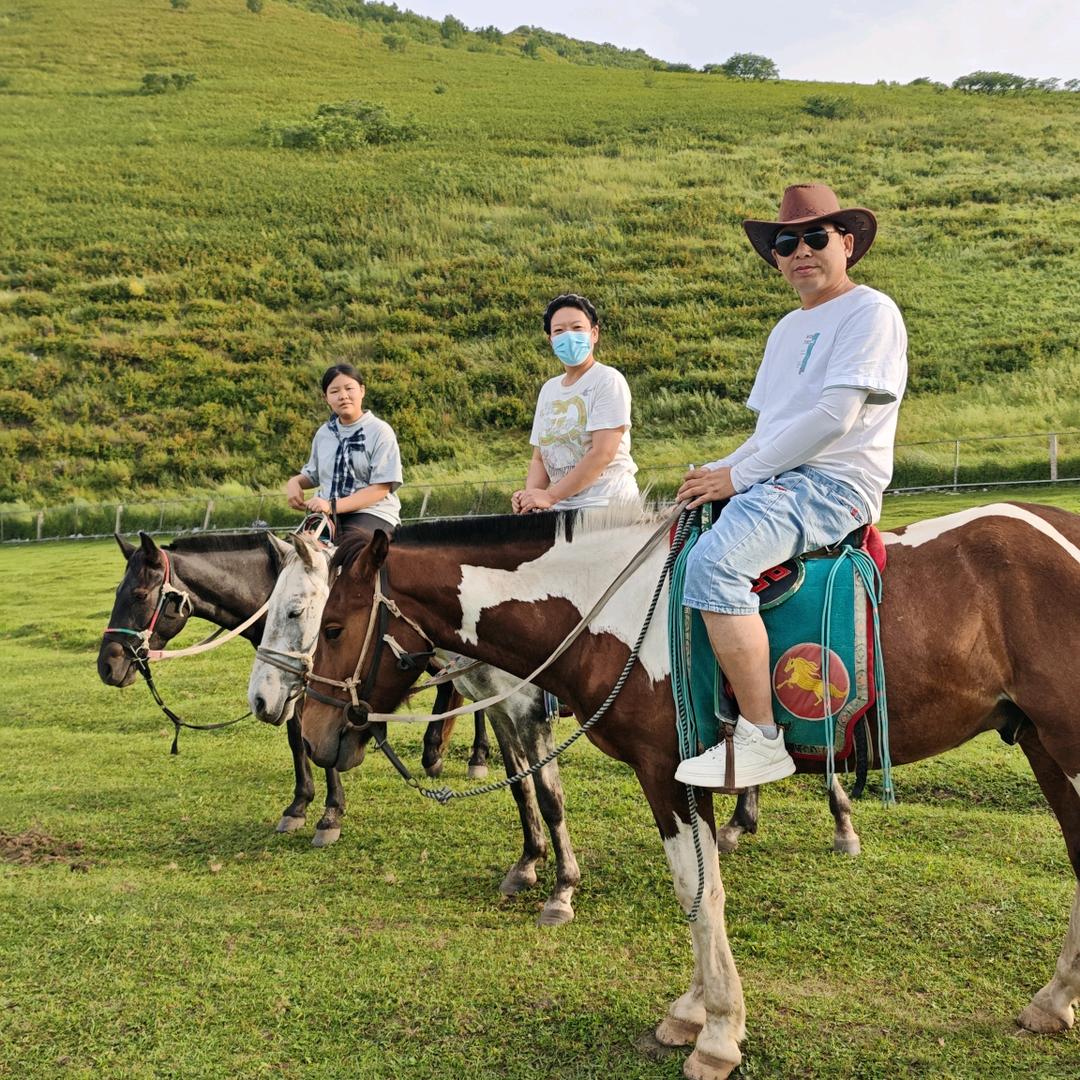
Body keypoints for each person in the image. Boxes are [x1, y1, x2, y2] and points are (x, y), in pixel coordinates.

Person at [674, 183, 908, 789]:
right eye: (786, 241)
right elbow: (769, 431)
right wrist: (717, 471)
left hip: (831, 484)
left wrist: (740, 476)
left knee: (713, 566)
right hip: (779, 477)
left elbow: (835, 417)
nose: (800, 249)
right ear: (776, 256)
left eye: (815, 236)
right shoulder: (786, 329)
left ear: (847, 244)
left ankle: (760, 738)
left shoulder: (870, 311)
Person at [512, 293, 639, 514]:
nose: (568, 336)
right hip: (561, 510)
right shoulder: (549, 390)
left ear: (594, 333)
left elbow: (602, 453)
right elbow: (540, 458)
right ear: (550, 340)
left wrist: (550, 495)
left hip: (606, 506)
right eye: (559, 331)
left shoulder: (607, 380)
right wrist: (530, 496)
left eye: (577, 328)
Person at [286, 363, 403, 536]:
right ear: (326, 398)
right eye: (334, 392)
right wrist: (294, 483)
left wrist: (332, 505)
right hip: (328, 515)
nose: (343, 396)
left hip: (373, 512)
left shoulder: (379, 431)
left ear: (362, 391)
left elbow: (381, 488)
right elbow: (313, 474)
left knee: (345, 549)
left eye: (349, 388)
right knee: (292, 552)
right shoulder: (324, 433)